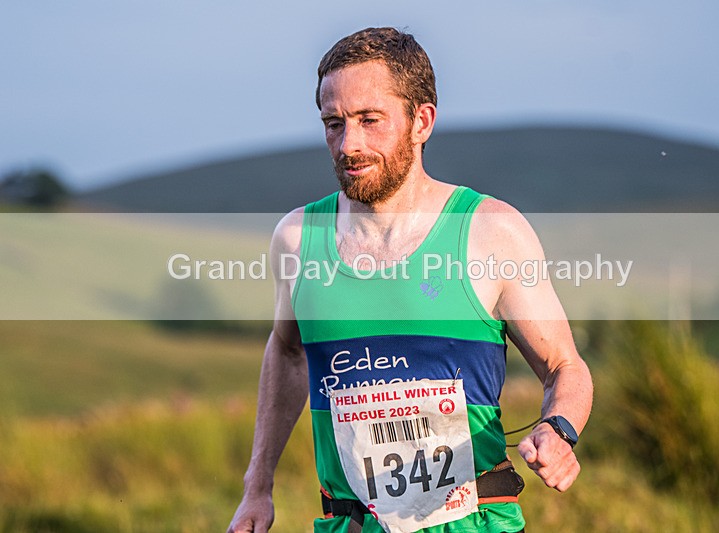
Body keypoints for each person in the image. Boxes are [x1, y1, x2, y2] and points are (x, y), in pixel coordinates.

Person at [228, 27, 593, 533]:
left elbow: (563, 365)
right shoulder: (296, 238)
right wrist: (257, 488)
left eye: (369, 120)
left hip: (473, 523)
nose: (348, 144)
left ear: (421, 121)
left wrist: (558, 429)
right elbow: (289, 353)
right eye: (334, 123)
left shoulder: (490, 231)